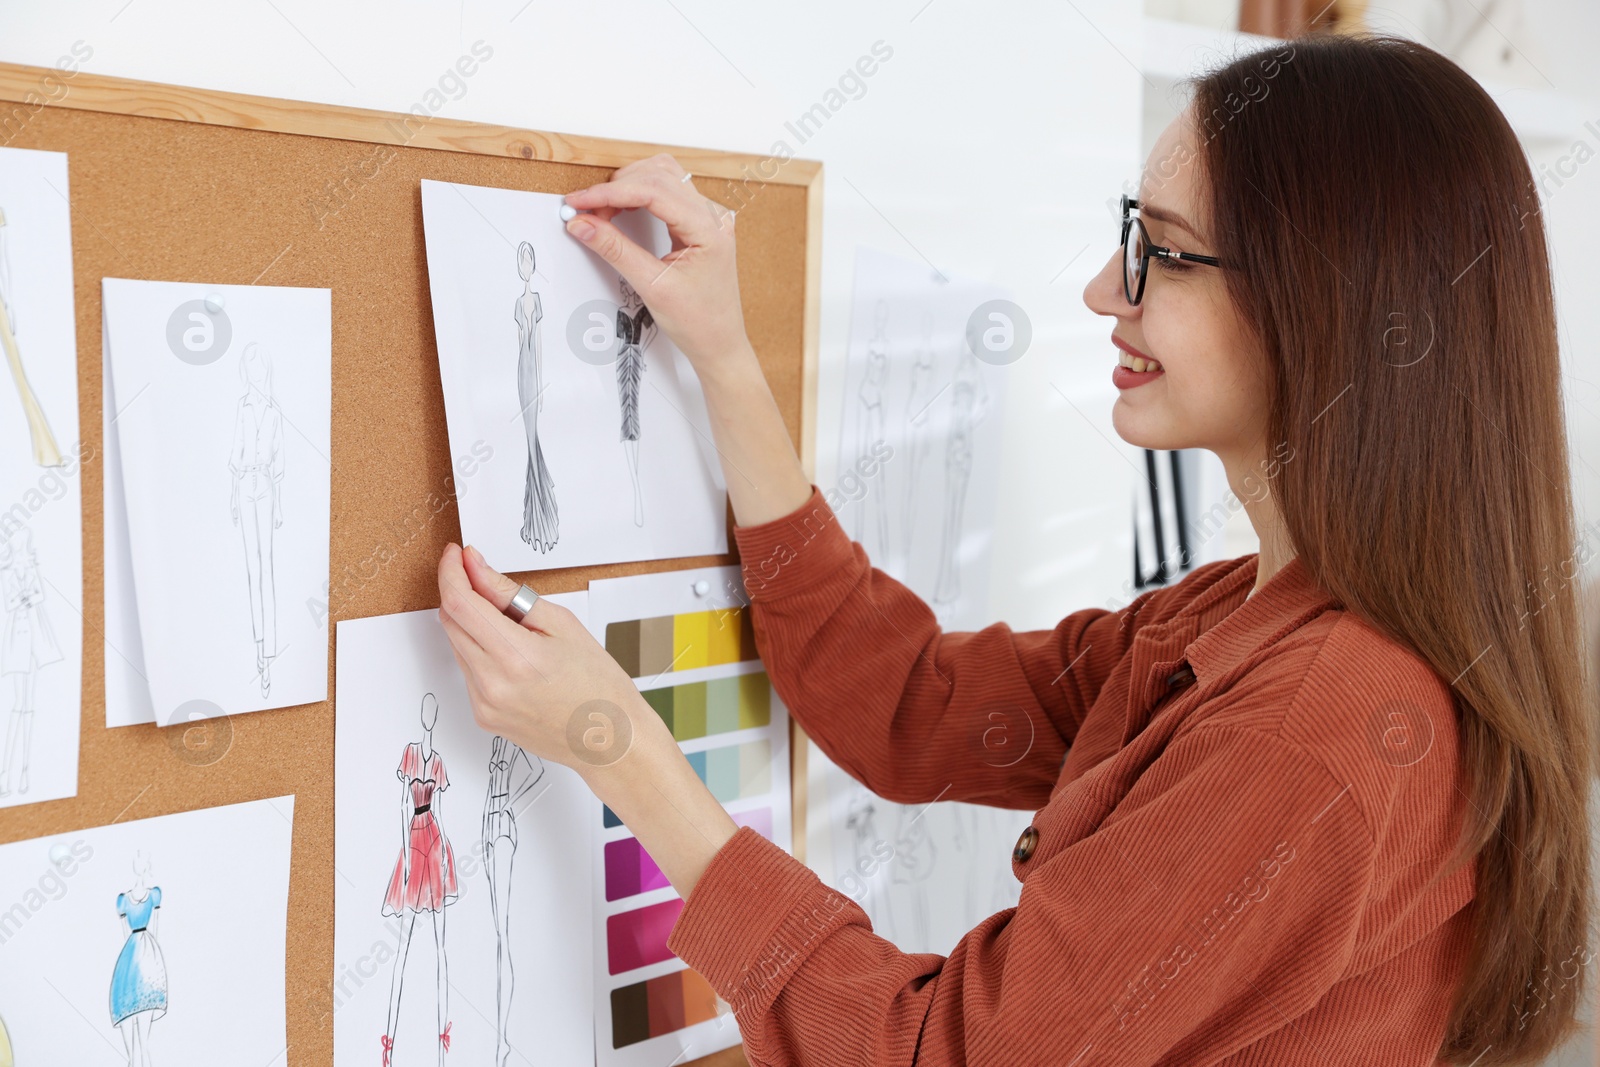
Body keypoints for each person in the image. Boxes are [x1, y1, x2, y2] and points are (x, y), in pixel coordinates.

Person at [434, 31, 1592, 1066]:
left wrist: (619, 746)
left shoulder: (1315, 725)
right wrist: (727, 363)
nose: (1103, 290)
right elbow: (909, 702)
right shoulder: (1237, 619)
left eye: (1161, 252)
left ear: (1324, 301)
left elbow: (942, 1053)